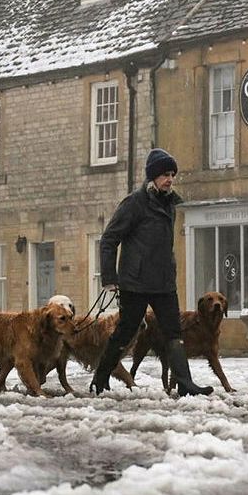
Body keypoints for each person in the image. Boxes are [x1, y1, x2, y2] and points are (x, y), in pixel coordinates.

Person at [90, 148, 212, 397]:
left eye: (172, 174)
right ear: (152, 177)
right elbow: (109, 239)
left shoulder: (170, 204)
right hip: (135, 282)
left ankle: (185, 383)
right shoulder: (134, 203)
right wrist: (110, 279)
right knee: (126, 331)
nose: (169, 179)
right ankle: (100, 378)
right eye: (164, 174)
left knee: (174, 333)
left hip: (164, 282)